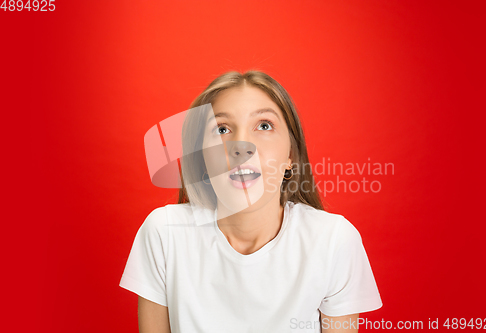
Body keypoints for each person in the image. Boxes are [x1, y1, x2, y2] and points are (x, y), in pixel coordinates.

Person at [119, 70, 382, 332]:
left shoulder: (334, 240)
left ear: (290, 154)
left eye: (264, 126)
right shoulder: (163, 233)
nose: (241, 145)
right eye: (221, 129)